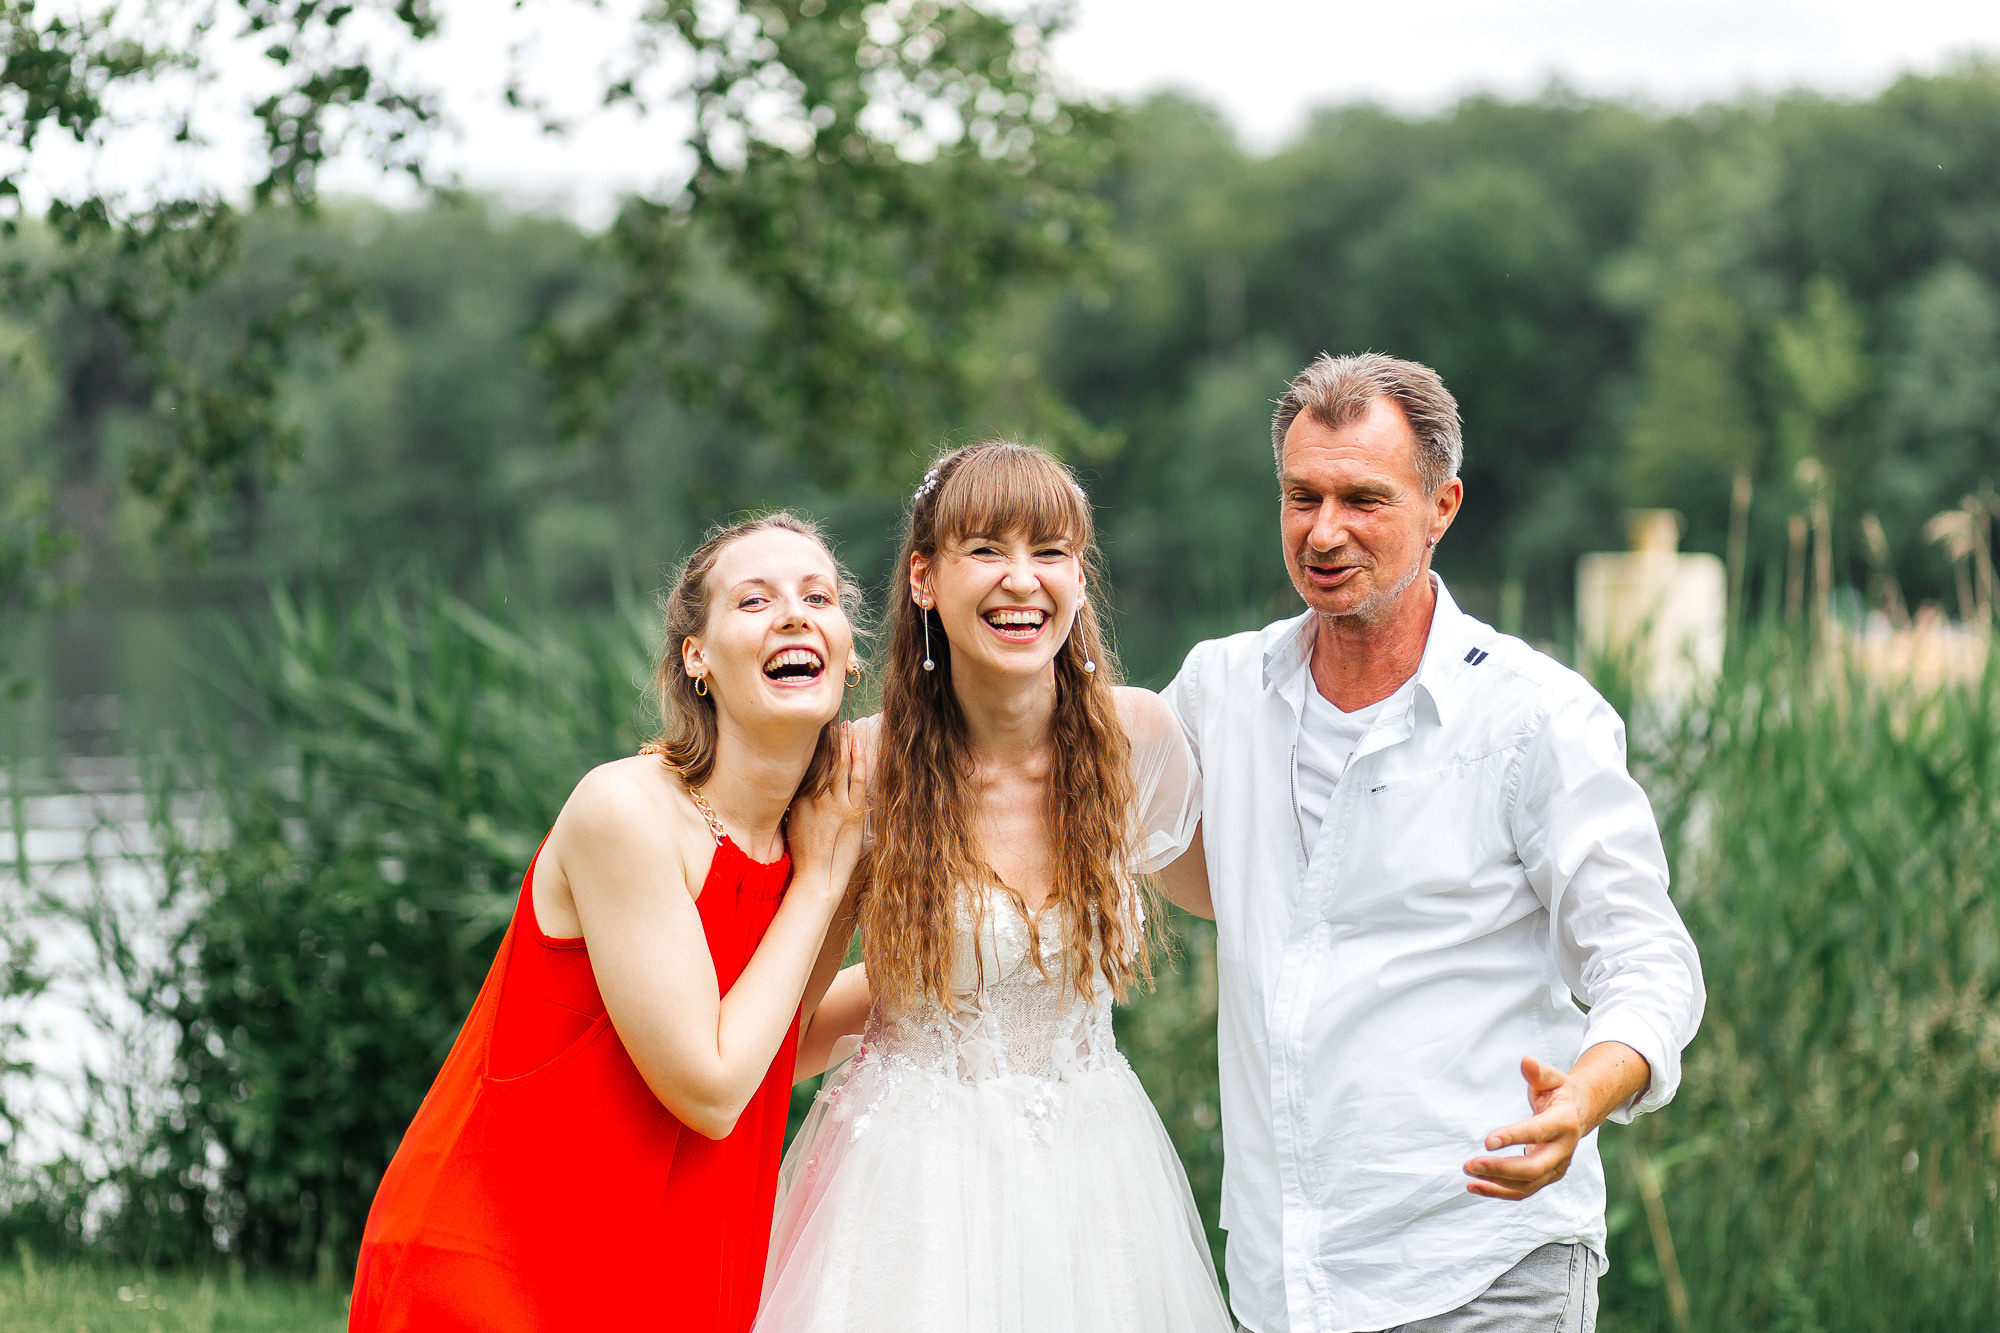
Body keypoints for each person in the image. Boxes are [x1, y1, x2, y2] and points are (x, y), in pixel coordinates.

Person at [1157, 353, 1706, 1333]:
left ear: (1439, 506)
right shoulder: (1216, 690)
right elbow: (1100, 811)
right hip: (1281, 1280)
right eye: (1300, 496)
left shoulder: (1535, 718)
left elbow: (1649, 961)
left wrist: (1581, 1094)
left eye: (1361, 499)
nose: (1323, 531)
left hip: (1481, 1267)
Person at [349, 513, 871, 1333]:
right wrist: (828, 882)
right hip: (508, 1269)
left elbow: (779, 1041)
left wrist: (972, 967)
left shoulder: (816, 832)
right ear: (696, 658)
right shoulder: (625, 811)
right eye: (754, 600)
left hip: (675, 1268)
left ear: (849, 650)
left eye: (818, 596)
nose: (796, 614)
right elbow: (710, 1084)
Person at [755, 442, 1234, 1333]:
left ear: (1080, 580)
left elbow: (1254, 909)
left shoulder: (1139, 742)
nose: (1023, 580)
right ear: (925, 577)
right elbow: (786, 1013)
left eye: (1050, 551)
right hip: (907, 1190)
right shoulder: (862, 765)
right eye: (986, 549)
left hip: (1098, 1180)